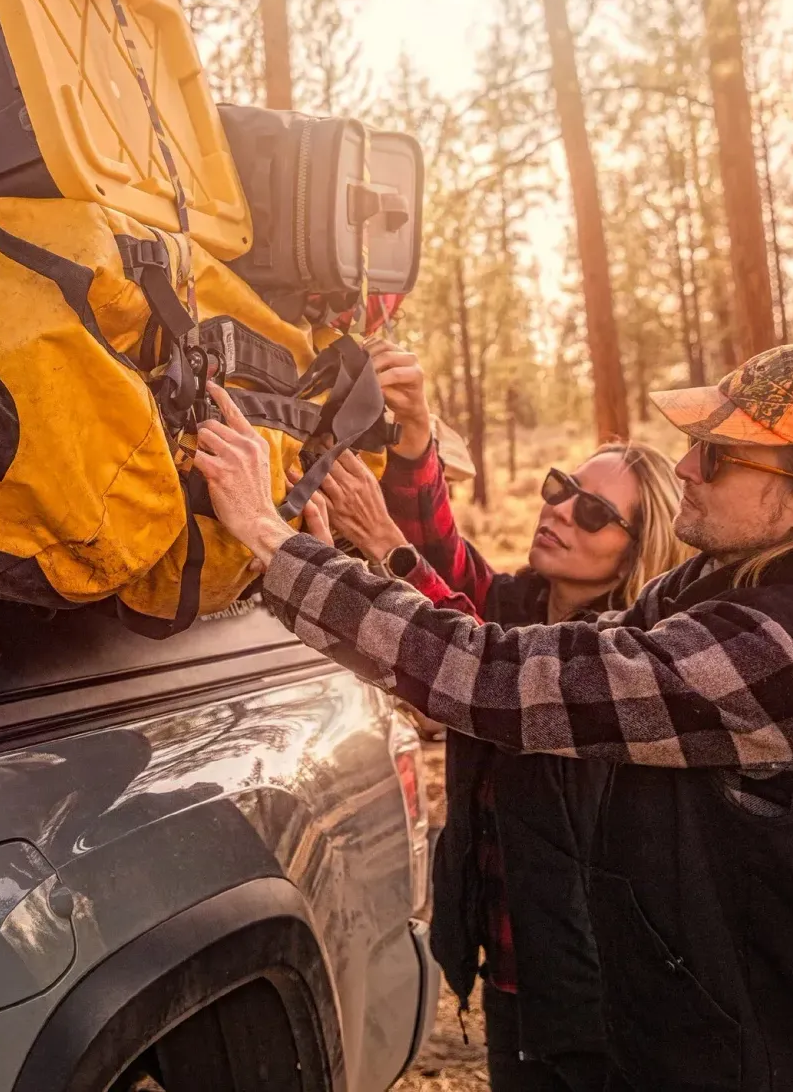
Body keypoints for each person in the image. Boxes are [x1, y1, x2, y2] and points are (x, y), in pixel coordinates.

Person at [205, 344, 793, 1091]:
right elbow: (507, 643)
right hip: (689, 1042)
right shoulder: (713, 589)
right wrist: (358, 561)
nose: (685, 467)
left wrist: (269, 539)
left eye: (718, 457)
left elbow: (498, 681)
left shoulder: (770, 652)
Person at [309, 341, 685, 1091]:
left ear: (635, 552)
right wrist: (414, 433)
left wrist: (385, 546)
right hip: (512, 960)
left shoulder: (630, 659)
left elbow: (482, 661)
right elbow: (445, 564)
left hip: (599, 982)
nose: (560, 511)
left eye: (594, 511)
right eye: (560, 486)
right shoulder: (517, 605)